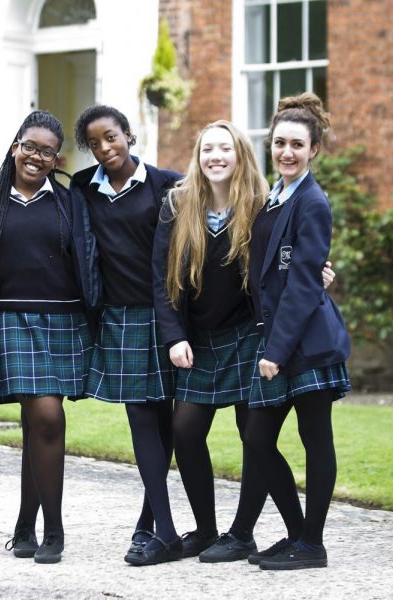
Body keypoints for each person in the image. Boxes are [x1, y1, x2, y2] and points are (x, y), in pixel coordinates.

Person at [153, 120, 337, 565]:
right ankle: (208, 529)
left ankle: (243, 533)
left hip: (250, 336)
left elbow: (292, 261)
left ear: (240, 156)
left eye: (225, 149)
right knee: (186, 430)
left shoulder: (260, 205)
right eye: (207, 149)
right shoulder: (177, 206)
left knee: (252, 435)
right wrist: (174, 335)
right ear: (197, 158)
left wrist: (318, 275)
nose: (215, 156)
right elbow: (161, 280)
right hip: (199, 339)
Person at [0, 110, 93, 565]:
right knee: (47, 419)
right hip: (12, 322)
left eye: (47, 152)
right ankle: (52, 530)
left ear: (57, 160)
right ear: (15, 147)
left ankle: (25, 525)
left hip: (64, 324)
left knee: (38, 425)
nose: (36, 157)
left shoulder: (70, 201)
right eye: (29, 146)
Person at [70, 105, 184, 566]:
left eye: (111, 137)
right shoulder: (84, 188)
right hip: (121, 318)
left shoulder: (167, 184)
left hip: (168, 315)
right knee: (140, 416)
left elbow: (225, 214)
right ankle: (168, 531)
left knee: (164, 421)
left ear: (129, 136)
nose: (104, 149)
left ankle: (148, 522)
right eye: (94, 143)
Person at [243, 92, 352, 570]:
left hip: (306, 344)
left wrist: (276, 350)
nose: (287, 152)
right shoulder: (274, 198)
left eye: (297, 145)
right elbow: (273, 270)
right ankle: (297, 534)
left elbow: (304, 285)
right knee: (256, 438)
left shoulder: (312, 201)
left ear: (314, 150)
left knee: (315, 439)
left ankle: (313, 544)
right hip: (279, 339)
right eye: (280, 143)